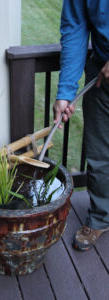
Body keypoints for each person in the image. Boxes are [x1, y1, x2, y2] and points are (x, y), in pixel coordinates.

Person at [53, 0, 109, 251]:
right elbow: (75, 27)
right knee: (98, 154)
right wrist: (65, 91)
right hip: (102, 77)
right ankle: (100, 218)